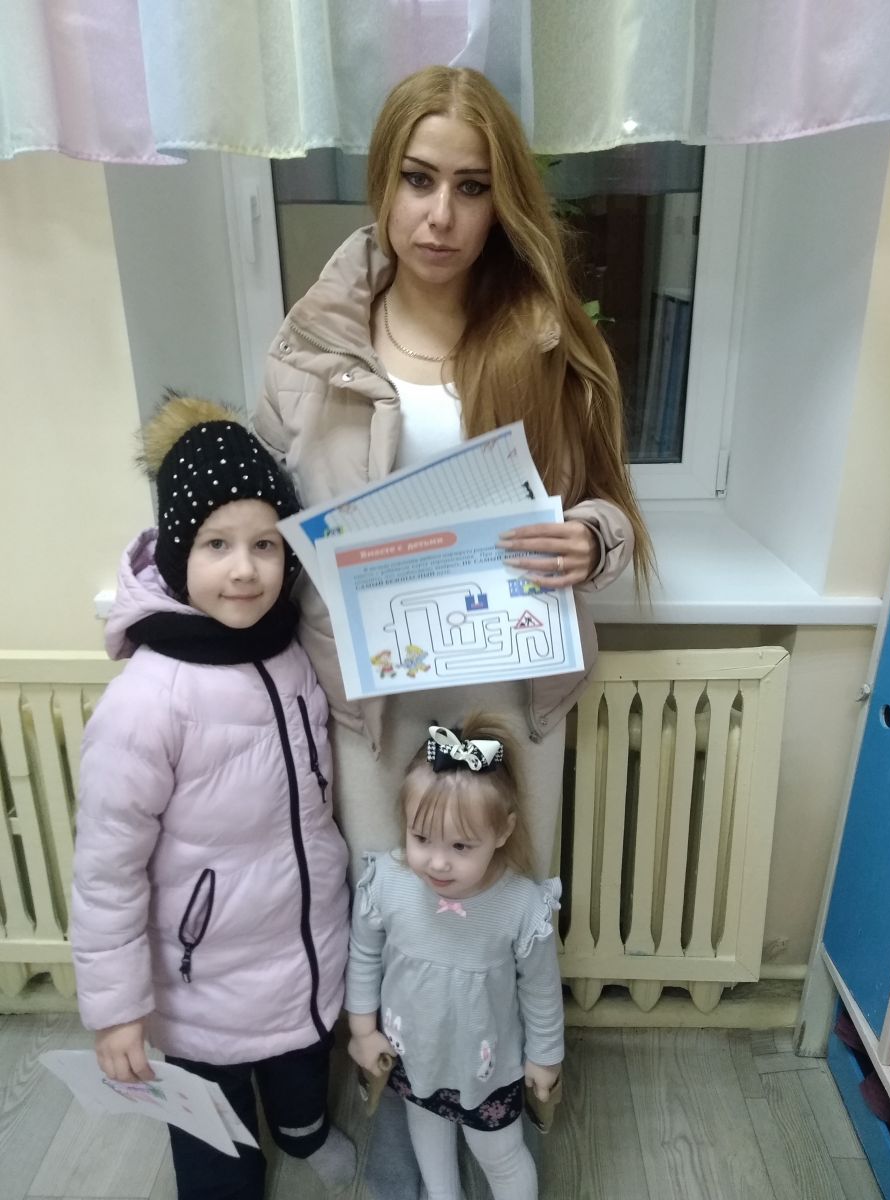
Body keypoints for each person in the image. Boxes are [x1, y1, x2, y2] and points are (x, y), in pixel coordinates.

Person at [254, 63, 652, 1196]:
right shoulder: (310, 347)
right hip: (374, 705)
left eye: (471, 187)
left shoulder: (542, 336)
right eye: (418, 179)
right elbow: (271, 526)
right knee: (396, 915)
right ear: (381, 183)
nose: (440, 215)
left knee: (496, 911)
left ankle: (501, 1105)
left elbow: (610, 506)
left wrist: (590, 540)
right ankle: (404, 1112)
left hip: (508, 693)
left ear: (501, 198)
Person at [70, 393, 355, 1200]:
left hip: (301, 948)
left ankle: (302, 1131)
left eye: (265, 544)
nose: (244, 569)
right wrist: (117, 1010)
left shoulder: (292, 650)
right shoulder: (145, 701)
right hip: (200, 981)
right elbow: (106, 874)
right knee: (214, 1140)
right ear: (176, 554)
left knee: (302, 1063)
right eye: (217, 544)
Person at [345, 715, 563, 1200]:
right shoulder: (387, 883)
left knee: (500, 1155)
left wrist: (545, 1057)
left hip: (489, 1068)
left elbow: (541, 991)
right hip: (412, 1052)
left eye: (461, 846)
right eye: (421, 838)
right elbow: (363, 955)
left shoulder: (521, 906)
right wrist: (361, 1029)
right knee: (427, 1133)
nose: (438, 862)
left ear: (502, 832)